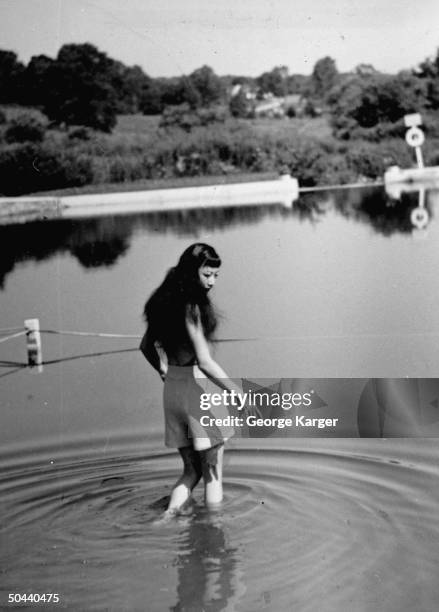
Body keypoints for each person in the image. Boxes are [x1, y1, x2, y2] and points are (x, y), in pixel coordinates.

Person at [140, 243, 241, 517]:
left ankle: (167, 517)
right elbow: (205, 362)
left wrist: (163, 370)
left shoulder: (161, 302)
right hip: (197, 392)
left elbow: (145, 347)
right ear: (190, 272)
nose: (212, 282)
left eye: (216, 276)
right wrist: (236, 392)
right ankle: (214, 530)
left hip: (172, 391)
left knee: (192, 470)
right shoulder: (192, 307)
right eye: (207, 274)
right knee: (213, 474)